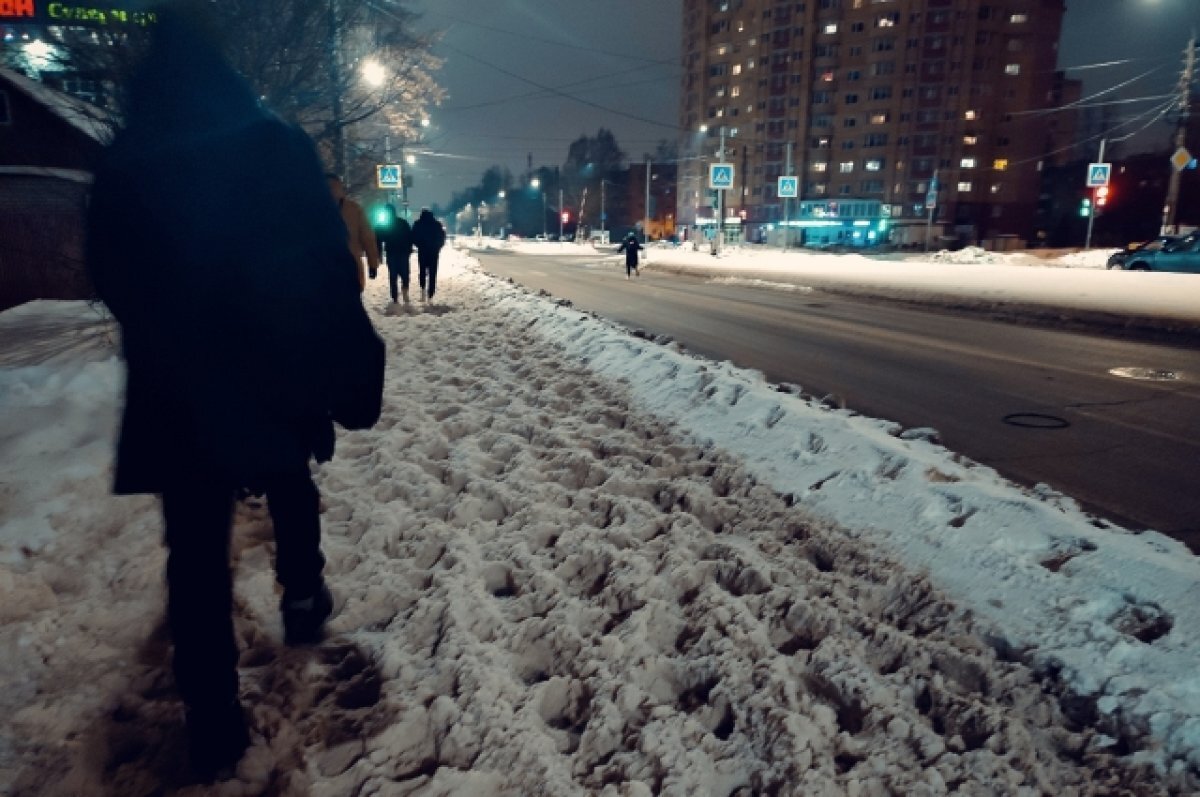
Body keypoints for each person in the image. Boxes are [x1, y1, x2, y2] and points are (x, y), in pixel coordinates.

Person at [85, 5, 385, 781]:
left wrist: (163, 337)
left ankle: (212, 718)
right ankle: (304, 594)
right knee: (288, 475)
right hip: (269, 366)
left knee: (193, 550)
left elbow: (106, 270)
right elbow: (322, 263)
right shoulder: (276, 145)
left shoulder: (128, 156)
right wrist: (337, 353)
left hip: (174, 384)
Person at [327, 173, 380, 292]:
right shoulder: (354, 209)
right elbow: (368, 238)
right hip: (350, 266)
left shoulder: (312, 210)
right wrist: (372, 264)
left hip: (322, 269)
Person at [374, 204, 413, 304]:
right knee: (405, 274)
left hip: (391, 253)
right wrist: (409, 250)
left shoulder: (384, 225)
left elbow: (378, 239)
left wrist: (379, 254)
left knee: (393, 276)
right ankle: (405, 291)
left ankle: (395, 297)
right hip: (403, 253)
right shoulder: (402, 223)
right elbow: (410, 237)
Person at [410, 207, 446, 301]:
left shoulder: (418, 224)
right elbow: (442, 237)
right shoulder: (437, 224)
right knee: (432, 273)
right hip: (434, 252)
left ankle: (422, 289)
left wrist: (419, 245)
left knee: (422, 271)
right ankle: (431, 293)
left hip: (423, 251)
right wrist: (437, 247)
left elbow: (413, 237)